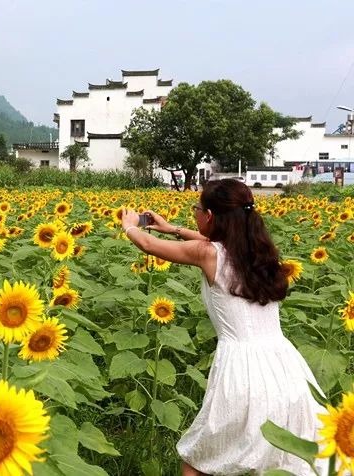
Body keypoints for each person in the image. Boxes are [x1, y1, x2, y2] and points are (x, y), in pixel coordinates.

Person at [121, 179, 325, 476]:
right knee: (285, 459)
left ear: (211, 217)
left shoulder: (207, 255)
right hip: (287, 369)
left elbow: (149, 245)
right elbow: (210, 244)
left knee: (199, 460)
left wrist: (130, 226)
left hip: (242, 371)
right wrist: (172, 228)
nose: (195, 214)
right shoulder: (262, 254)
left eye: (197, 209)